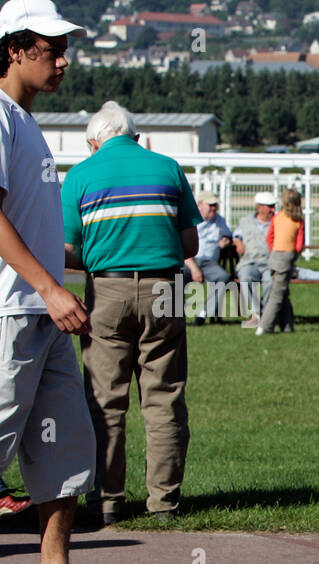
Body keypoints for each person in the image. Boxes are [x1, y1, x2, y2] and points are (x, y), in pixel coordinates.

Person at [0, 0, 131, 564]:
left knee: (66, 453)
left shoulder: (24, 121)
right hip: (13, 312)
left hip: (43, 315)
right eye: (51, 47)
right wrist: (48, 289)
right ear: (15, 48)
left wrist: (60, 285)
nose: (63, 58)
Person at [62, 99, 201, 526]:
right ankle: (163, 504)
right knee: (164, 398)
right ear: (136, 138)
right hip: (166, 287)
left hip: (107, 289)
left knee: (105, 402)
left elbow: (67, 251)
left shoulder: (80, 175)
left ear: (93, 142)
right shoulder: (168, 168)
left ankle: (107, 503)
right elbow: (191, 244)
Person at [257, 186, 303, 335]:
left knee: (283, 292)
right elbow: (299, 244)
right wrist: (293, 255)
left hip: (274, 257)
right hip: (286, 258)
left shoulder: (277, 218)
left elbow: (269, 237)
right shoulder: (298, 221)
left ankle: (288, 326)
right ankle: (265, 326)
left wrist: (274, 250)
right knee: (277, 295)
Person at [184, 189, 231, 324]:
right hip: (189, 261)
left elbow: (227, 235)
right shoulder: (189, 220)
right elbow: (182, 246)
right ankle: (175, 315)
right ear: (199, 205)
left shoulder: (219, 220)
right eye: (210, 205)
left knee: (223, 277)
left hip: (209, 263)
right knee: (176, 277)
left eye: (215, 205)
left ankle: (203, 313)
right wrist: (194, 268)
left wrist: (226, 240)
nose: (213, 208)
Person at [234, 189, 275, 329]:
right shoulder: (245, 221)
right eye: (269, 206)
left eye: (273, 206)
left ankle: (267, 314)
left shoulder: (277, 222)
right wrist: (238, 242)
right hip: (249, 261)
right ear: (259, 207)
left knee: (271, 280)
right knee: (246, 276)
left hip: (270, 262)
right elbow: (236, 236)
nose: (272, 209)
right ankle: (255, 314)